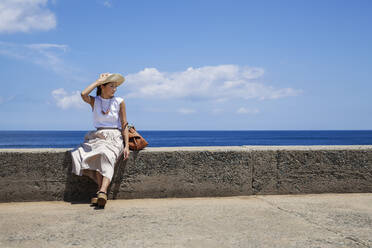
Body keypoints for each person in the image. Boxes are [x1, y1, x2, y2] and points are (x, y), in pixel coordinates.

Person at [70, 72, 130, 208]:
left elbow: (125, 123)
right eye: (111, 86)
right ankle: (101, 193)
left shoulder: (120, 101)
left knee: (105, 154)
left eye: (116, 86)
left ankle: (102, 191)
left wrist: (126, 146)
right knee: (93, 156)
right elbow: (83, 94)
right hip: (97, 136)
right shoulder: (95, 101)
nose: (114, 89)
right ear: (103, 87)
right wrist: (97, 82)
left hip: (114, 136)